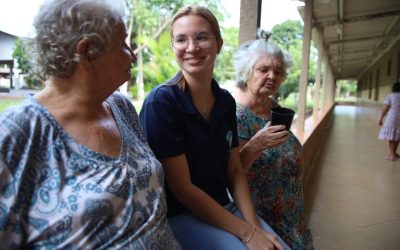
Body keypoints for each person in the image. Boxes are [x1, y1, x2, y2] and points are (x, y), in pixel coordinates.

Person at [0, 0, 180, 249]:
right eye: (122, 44)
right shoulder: (15, 134)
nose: (132, 54)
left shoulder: (121, 107)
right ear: (86, 52)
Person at [139, 5, 291, 250]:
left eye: (201, 37)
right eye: (181, 39)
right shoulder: (163, 102)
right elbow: (183, 189)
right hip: (181, 215)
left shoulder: (224, 101)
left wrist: (254, 226)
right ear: (173, 47)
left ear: (218, 44)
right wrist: (248, 234)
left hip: (224, 206)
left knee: (278, 247)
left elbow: (234, 170)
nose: (191, 47)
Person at [232, 38, 314, 250]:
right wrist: (256, 145)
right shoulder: (233, 115)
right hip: (259, 219)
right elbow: (229, 173)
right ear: (245, 72)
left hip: (292, 215)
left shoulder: (275, 109)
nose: (272, 76)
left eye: (278, 71)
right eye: (263, 69)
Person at [378, 81, 400, 161]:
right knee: (397, 135)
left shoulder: (390, 96)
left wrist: (381, 118)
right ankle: (394, 152)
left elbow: (385, 109)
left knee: (391, 136)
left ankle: (391, 155)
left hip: (393, 118)